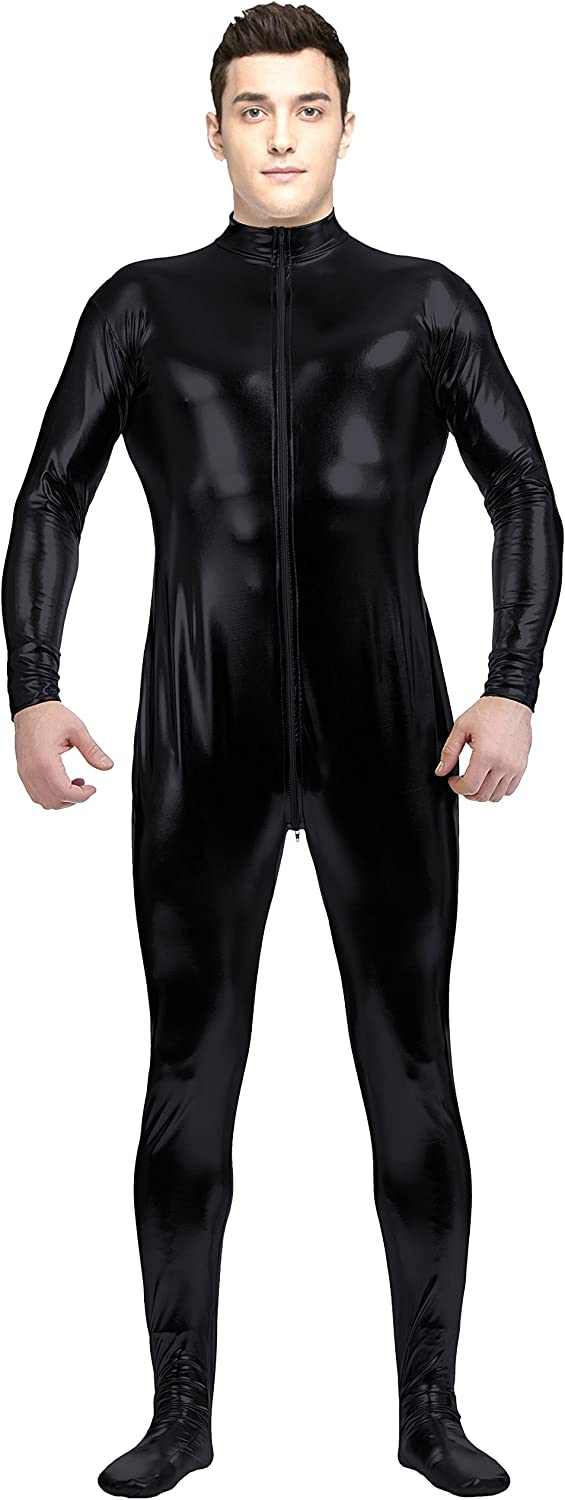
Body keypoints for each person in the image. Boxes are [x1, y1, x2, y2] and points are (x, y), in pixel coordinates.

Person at [2, 5, 562, 1497]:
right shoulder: (140, 307)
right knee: (188, 1066)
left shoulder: (424, 303)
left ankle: (430, 1415)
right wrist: (33, 687)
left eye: (307, 108)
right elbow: (51, 493)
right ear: (213, 131)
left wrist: (510, 685)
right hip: (205, 729)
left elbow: (521, 487)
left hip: (391, 731)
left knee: (411, 1063)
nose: (280, 135)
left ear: (346, 127)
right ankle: (178, 1415)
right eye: (252, 109)